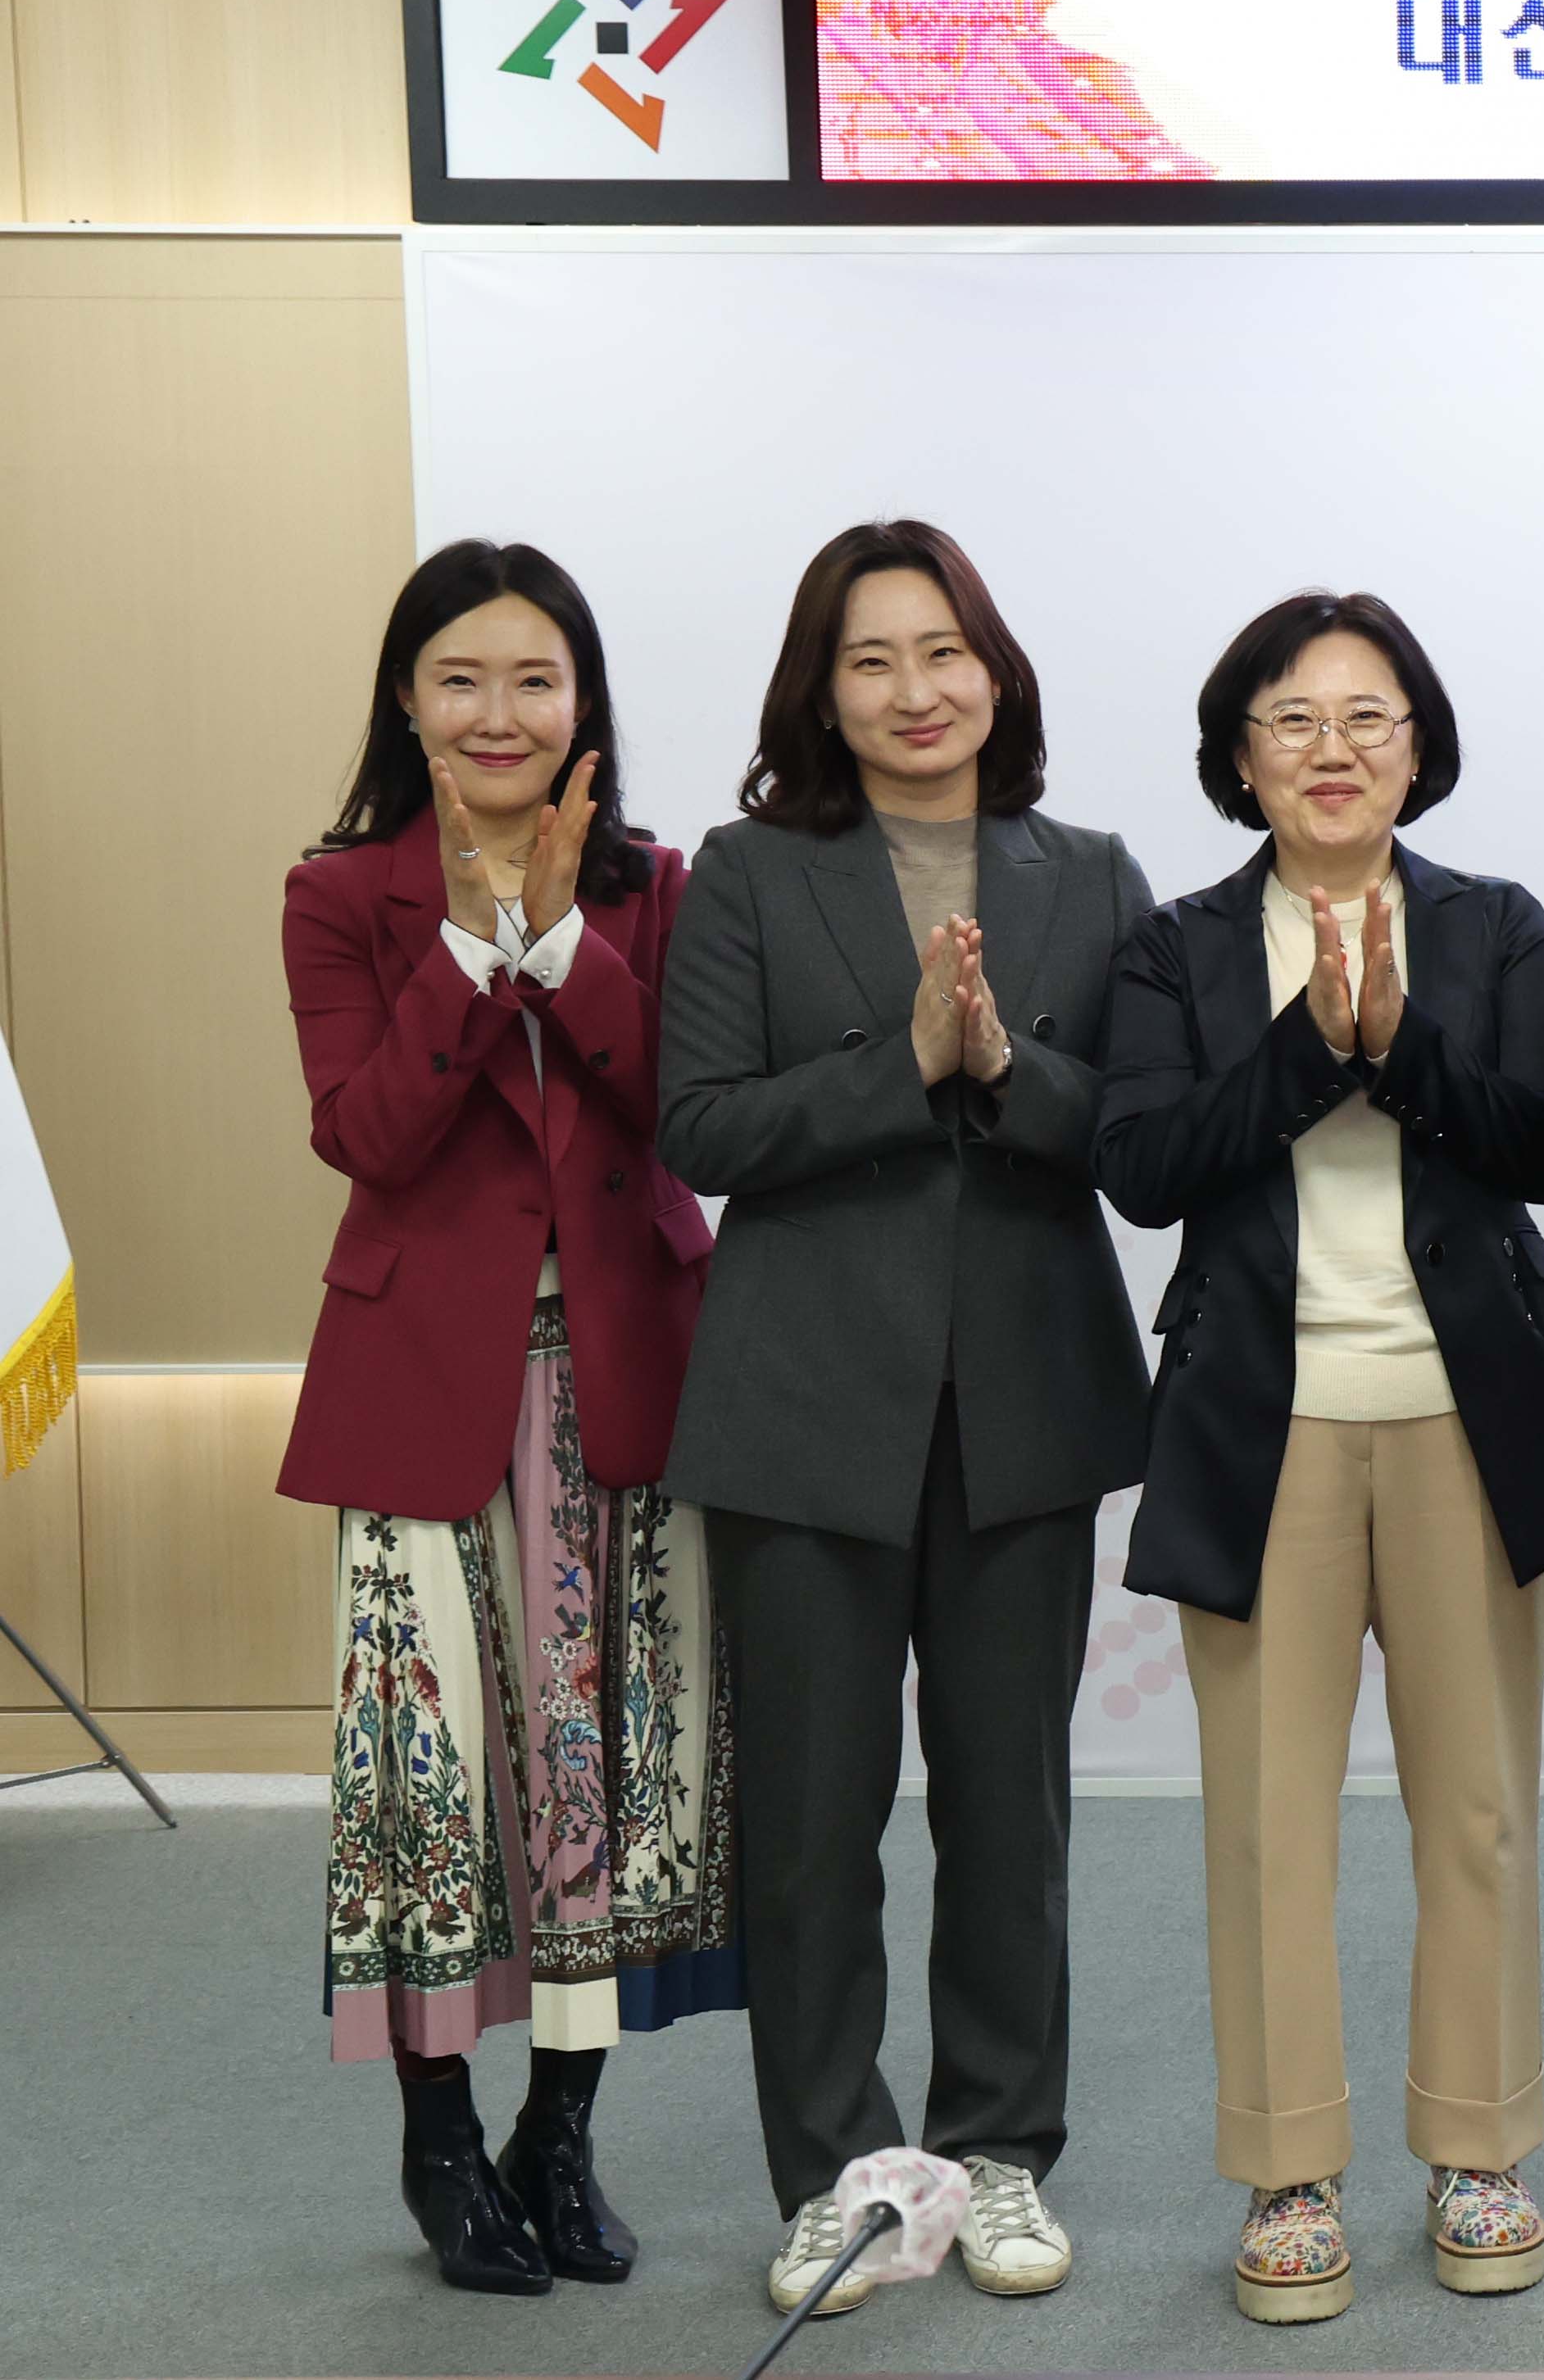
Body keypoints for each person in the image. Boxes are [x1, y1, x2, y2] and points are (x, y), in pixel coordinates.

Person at [656, 521, 1154, 2318]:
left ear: (995, 673)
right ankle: (839, 2174)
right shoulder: (747, 872)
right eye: (871, 659)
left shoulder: (1089, 874)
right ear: (824, 691)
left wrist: (1005, 1066)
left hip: (1020, 1403)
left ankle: (998, 2147)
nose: (915, 689)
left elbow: (1139, 1133)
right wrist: (909, 1064)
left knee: (1011, 1812)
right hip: (805, 1409)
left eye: (944, 651)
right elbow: (701, 1126)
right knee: (810, 1824)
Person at [1097, 594, 1544, 2325]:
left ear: (1418, 748)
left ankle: (1478, 2146)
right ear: (1240, 758)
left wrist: (1403, 1047)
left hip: (1468, 1419)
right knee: (1266, 1821)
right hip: (1265, 1428)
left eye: (1369, 717)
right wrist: (1315, 1047)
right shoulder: (1174, 945)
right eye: (1295, 720)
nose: (1334, 749)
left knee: (1478, 1809)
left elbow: (1542, 1149)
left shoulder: (1494, 923)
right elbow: (1145, 1166)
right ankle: (1289, 2168)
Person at [279, 542, 737, 2297]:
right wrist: (477, 946)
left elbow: (689, 1113)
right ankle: (439, 2143)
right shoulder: (340, 894)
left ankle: (561, 2130)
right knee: (434, 1779)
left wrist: (562, 939)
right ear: (407, 701)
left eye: (533, 680)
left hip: (627, 1374)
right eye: (459, 679)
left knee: (598, 1770)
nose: (497, 713)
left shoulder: (659, 886)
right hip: (422, 1389)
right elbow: (367, 1135)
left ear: (582, 702)